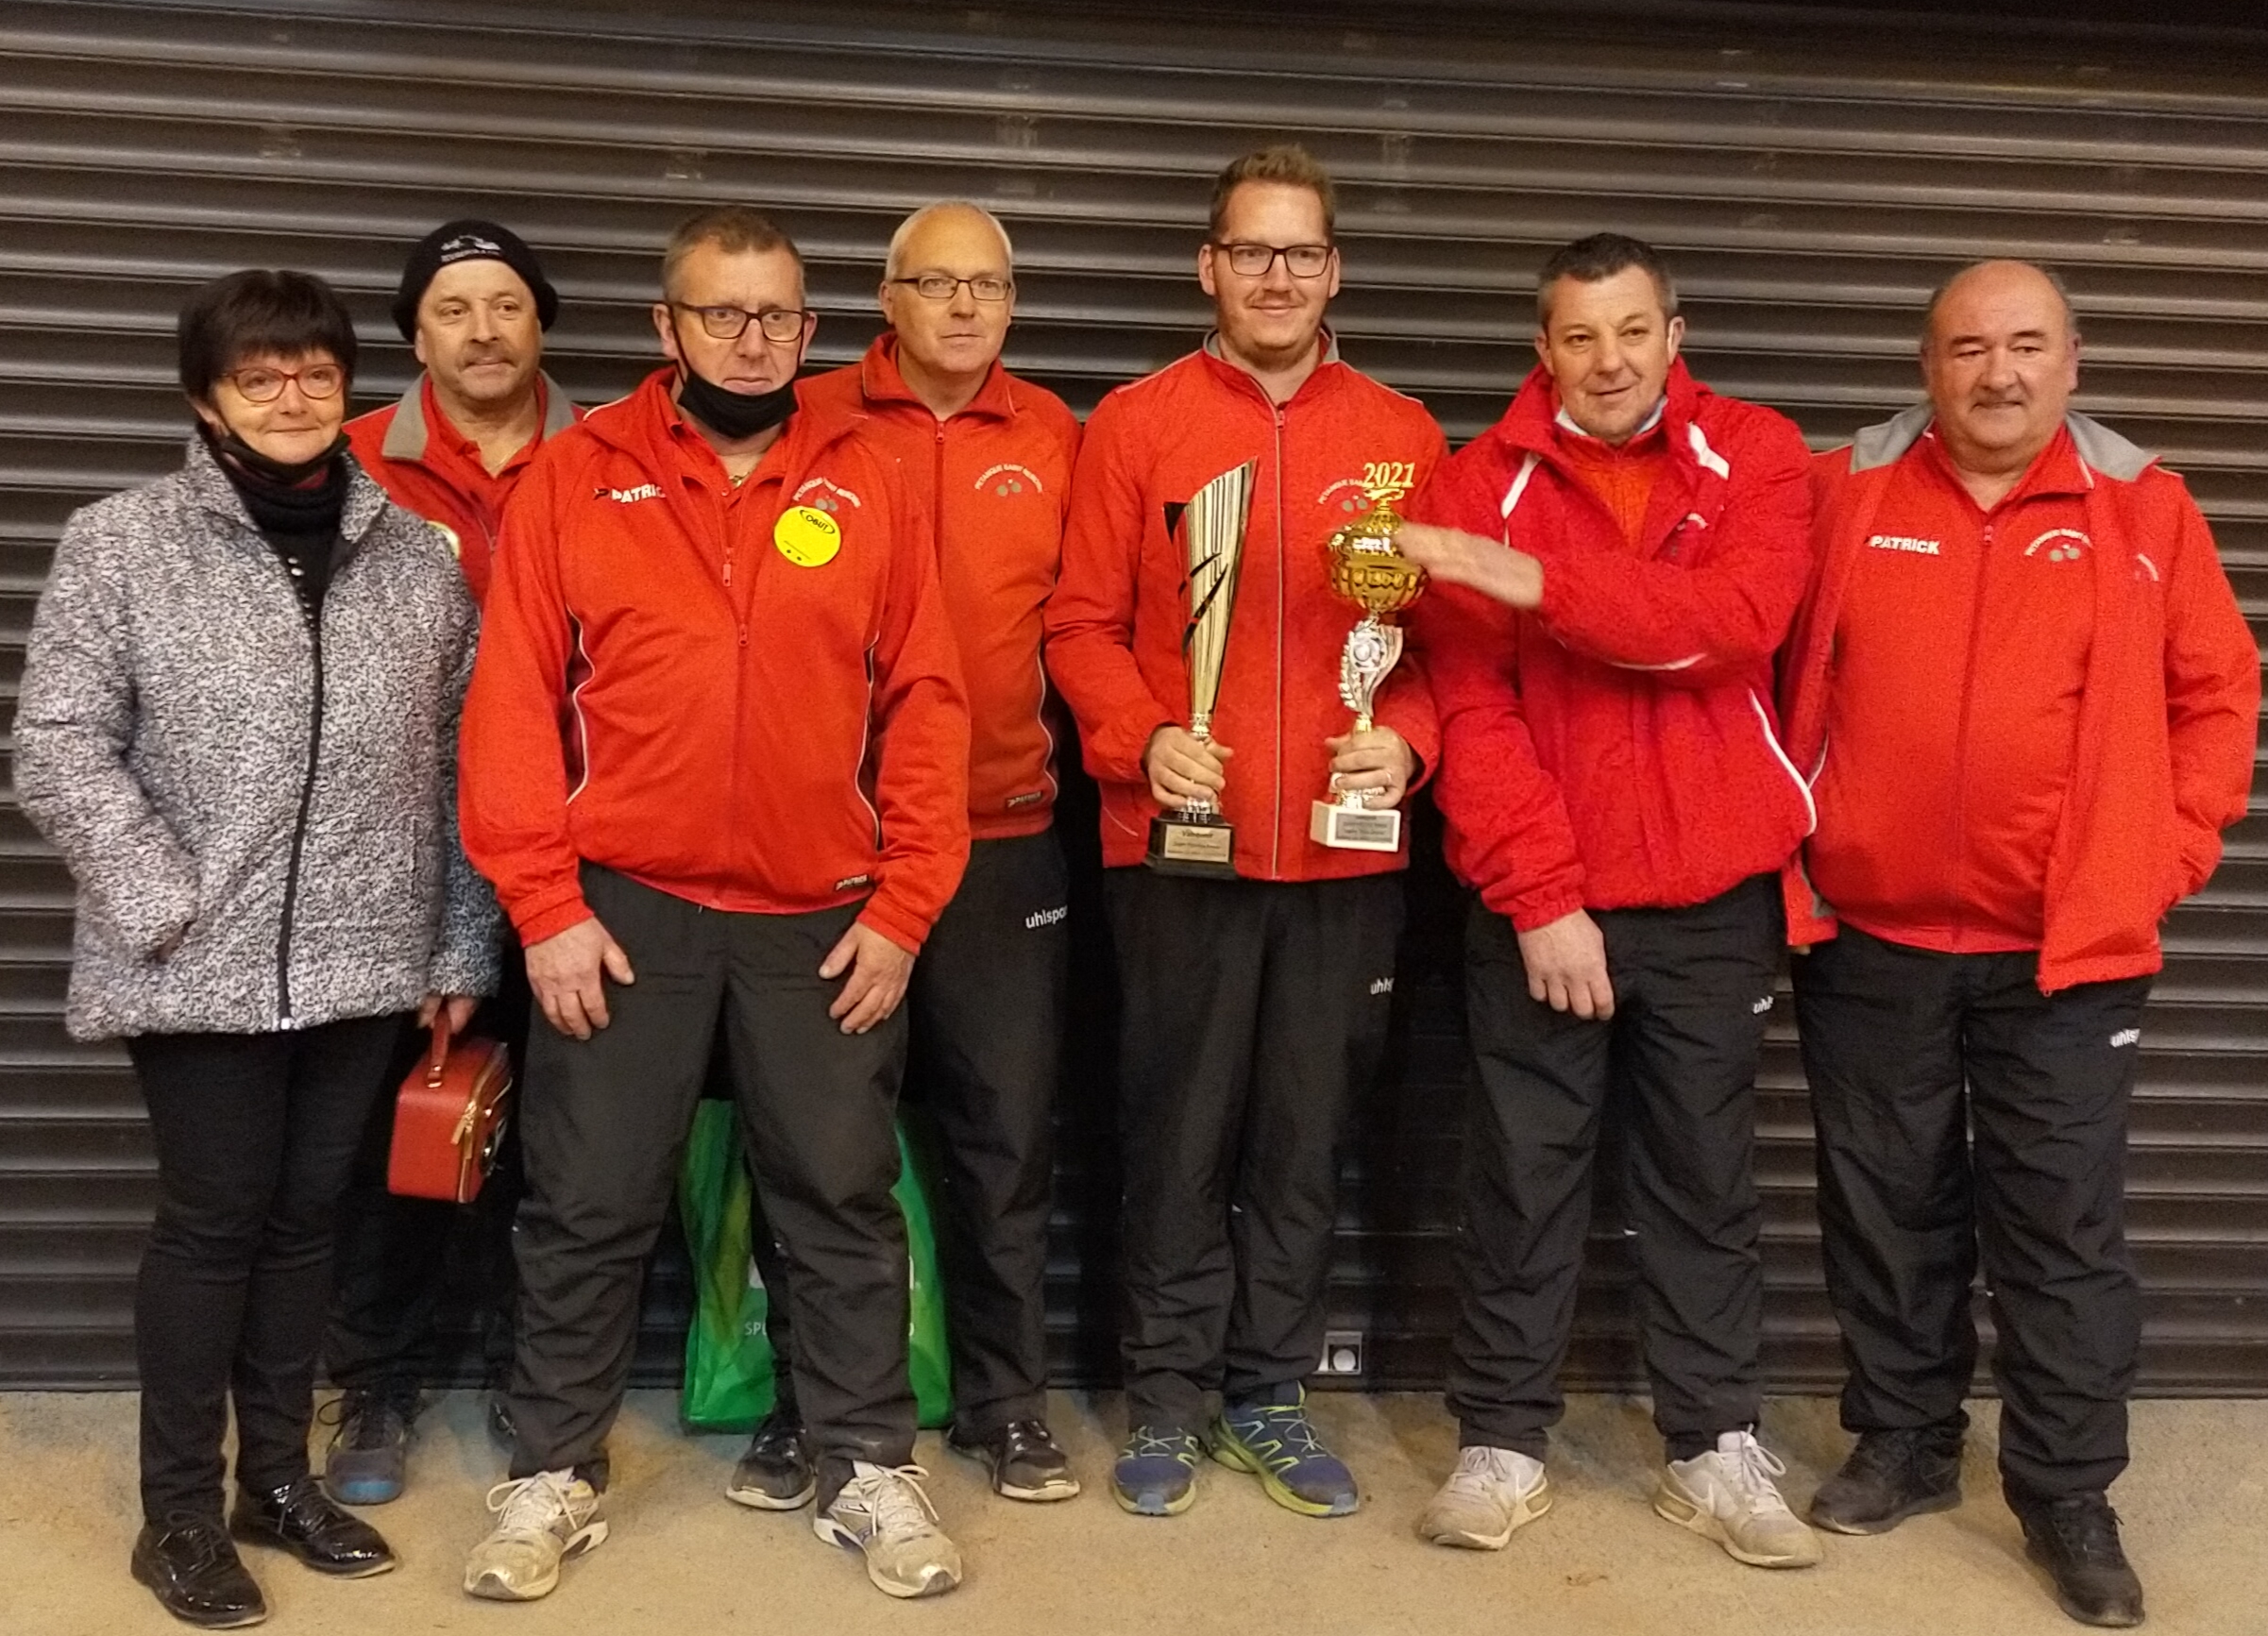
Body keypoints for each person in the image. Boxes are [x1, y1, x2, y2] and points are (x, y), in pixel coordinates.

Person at [454, 206, 973, 1603]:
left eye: (779, 317)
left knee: (840, 1195)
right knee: (584, 1200)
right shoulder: (579, 476)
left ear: (811, 332)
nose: (753, 338)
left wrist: (908, 900)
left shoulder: (868, 477)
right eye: (722, 312)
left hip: (824, 911)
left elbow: (928, 702)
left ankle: (866, 1458)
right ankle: (552, 1466)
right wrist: (545, 905)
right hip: (625, 910)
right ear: (664, 327)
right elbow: (509, 702)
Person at [14, 269, 499, 1628]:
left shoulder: (412, 554)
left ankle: (274, 1482)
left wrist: (459, 942)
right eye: (260, 374)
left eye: (315, 370)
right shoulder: (124, 541)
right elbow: (55, 744)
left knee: (305, 1230)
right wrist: (162, 898)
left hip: (364, 959)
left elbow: (461, 762)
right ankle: (177, 1510)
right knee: (214, 1225)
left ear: (350, 385)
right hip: (194, 966)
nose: (293, 394)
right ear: (206, 399)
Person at [1780, 260, 2258, 1628]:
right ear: (1924, 367)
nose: (1996, 372)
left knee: (2058, 1227)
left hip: (2066, 948)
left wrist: (2155, 858)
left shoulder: (2144, 508)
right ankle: (1907, 1438)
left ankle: (2063, 1489)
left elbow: (2217, 696)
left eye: (2024, 346)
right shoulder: (1842, 493)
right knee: (1885, 1208)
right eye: (1966, 347)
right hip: (1868, 931)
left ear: (2071, 359)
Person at [1395, 233, 1820, 1570]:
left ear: (1672, 332)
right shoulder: (1474, 484)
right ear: (1544, 350)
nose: (1608, 360)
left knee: (1702, 1178)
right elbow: (1472, 707)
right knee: (1522, 1177)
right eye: (1578, 336)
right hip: (1542, 900)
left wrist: (1541, 582)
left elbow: (1731, 623)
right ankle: (1502, 1438)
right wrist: (1537, 896)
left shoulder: (1755, 453)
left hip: (1709, 893)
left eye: (1630, 330)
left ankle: (1711, 1444)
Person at [1046, 144, 1445, 1520]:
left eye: (1301, 252)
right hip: (1181, 843)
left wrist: (1409, 739)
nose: (1276, 275)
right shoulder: (1136, 423)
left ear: (1332, 271)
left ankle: (1264, 1391)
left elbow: (1441, 650)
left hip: (1343, 854)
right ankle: (1164, 1394)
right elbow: (1079, 625)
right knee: (1175, 1127)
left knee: (1299, 1130)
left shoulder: (1402, 435)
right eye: (1250, 250)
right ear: (1207, 265)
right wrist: (1140, 736)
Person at [792, 201, 1083, 1506]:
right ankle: (812, 1408)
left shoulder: (1056, 435)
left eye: (989, 285)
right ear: (886, 296)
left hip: (1004, 839)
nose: (965, 307)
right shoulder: (807, 419)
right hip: (830, 849)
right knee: (823, 1148)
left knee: (1001, 1139)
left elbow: (1090, 625)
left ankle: (1004, 1402)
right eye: (936, 282)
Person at [325, 217, 578, 1509]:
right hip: (401, 862)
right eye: (453, 310)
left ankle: (539, 1376)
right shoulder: (354, 461)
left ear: (542, 323)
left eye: (505, 306)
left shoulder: (610, 457)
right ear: (413, 335)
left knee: (568, 1144)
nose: (483, 331)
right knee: (408, 1131)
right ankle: (379, 1374)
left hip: (582, 854)